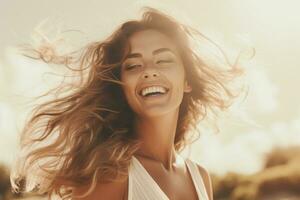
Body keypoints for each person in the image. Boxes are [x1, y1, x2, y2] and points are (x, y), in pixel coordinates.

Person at [11, 6, 242, 200]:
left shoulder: (200, 177)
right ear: (121, 86)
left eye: (163, 60)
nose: (149, 71)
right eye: (133, 65)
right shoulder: (110, 176)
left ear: (188, 81)